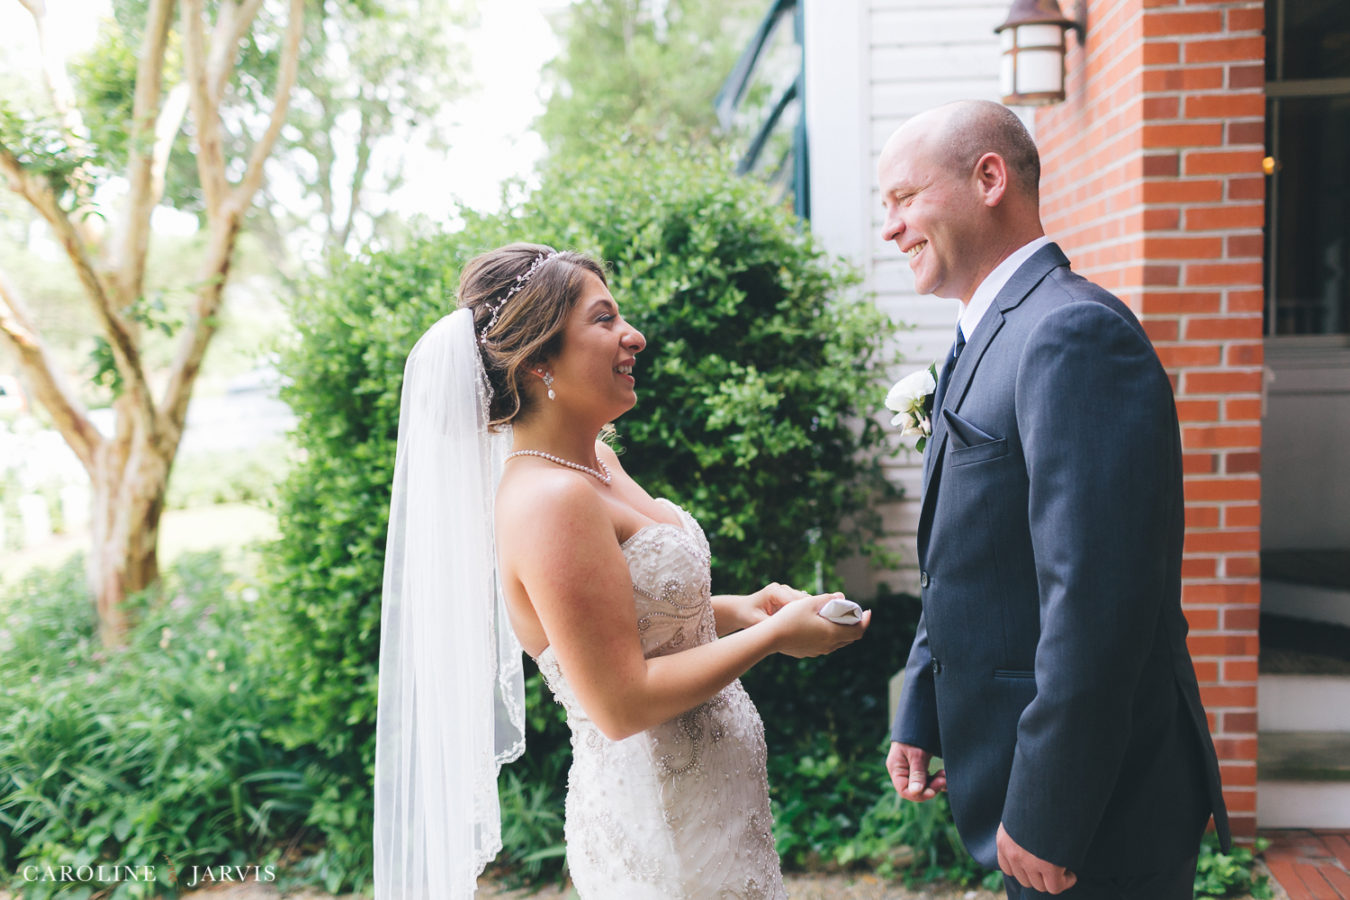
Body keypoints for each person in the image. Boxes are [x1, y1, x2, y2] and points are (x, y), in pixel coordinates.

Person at [372, 242, 870, 899]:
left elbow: (628, 619)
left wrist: (742, 610)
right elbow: (619, 699)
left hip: (711, 812)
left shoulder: (595, 463)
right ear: (539, 360)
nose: (633, 335)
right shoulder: (551, 500)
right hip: (660, 828)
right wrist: (774, 638)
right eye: (604, 320)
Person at [877, 100, 1231, 899]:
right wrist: (923, 704)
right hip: (1020, 773)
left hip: (1096, 808)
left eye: (903, 199)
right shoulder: (986, 334)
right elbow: (970, 554)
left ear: (989, 178)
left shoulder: (1073, 333)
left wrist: (1046, 808)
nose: (891, 229)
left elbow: (1098, 602)